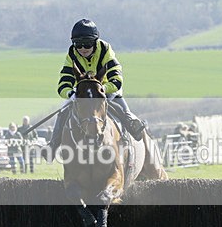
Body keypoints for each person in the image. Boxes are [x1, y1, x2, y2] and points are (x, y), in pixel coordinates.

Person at [45, 19, 146, 160]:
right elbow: (63, 83)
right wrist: (70, 93)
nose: (82, 49)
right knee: (62, 112)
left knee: (124, 111)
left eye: (87, 44)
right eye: (78, 45)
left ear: (95, 42)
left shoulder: (105, 50)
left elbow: (116, 78)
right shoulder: (72, 54)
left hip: (106, 89)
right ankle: (53, 144)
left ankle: (132, 133)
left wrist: (102, 89)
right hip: (83, 93)